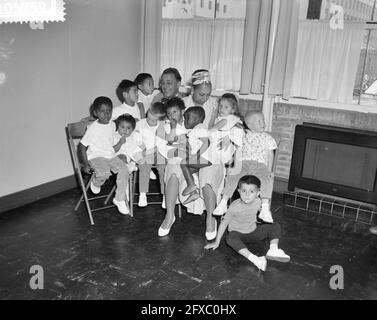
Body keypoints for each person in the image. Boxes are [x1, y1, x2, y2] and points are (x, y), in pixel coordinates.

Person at [157, 107, 222, 241]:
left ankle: (210, 218)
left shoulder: (198, 128)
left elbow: (207, 142)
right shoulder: (169, 127)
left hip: (207, 159)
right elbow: (168, 144)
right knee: (177, 167)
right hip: (189, 158)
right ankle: (171, 215)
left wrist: (196, 155)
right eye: (169, 113)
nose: (172, 115)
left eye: (175, 112)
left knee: (187, 166)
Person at [204, 175, 290, 271]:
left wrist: (265, 212)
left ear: (258, 193)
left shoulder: (259, 202)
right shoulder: (234, 206)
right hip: (238, 235)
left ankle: (273, 250)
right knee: (230, 238)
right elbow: (224, 223)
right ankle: (255, 260)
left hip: (253, 232)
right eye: (244, 191)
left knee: (275, 226)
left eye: (251, 192)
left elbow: (265, 215)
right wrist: (216, 242)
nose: (247, 195)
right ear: (239, 191)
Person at [213, 111, 276, 223]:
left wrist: (269, 170)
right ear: (249, 125)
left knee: (267, 181)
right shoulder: (243, 135)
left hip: (260, 165)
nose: (263, 123)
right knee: (232, 177)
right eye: (259, 121)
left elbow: (270, 154)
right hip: (244, 163)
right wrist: (234, 166)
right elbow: (238, 150)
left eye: (263, 120)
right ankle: (223, 202)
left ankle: (265, 209)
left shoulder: (267, 137)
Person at [78, 96, 130, 215]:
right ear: (96, 113)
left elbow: (122, 122)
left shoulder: (112, 124)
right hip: (96, 157)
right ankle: (96, 182)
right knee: (104, 172)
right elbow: (81, 146)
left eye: (109, 111)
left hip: (110, 155)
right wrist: (85, 164)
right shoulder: (92, 128)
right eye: (102, 112)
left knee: (124, 169)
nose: (106, 114)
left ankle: (119, 199)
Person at [134, 102, 167, 207]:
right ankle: (142, 194)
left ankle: (165, 196)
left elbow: (161, 143)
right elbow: (137, 140)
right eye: (148, 117)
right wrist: (144, 150)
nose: (148, 121)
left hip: (158, 152)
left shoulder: (163, 126)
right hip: (145, 152)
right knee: (144, 166)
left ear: (160, 120)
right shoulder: (140, 124)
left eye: (152, 120)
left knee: (163, 169)